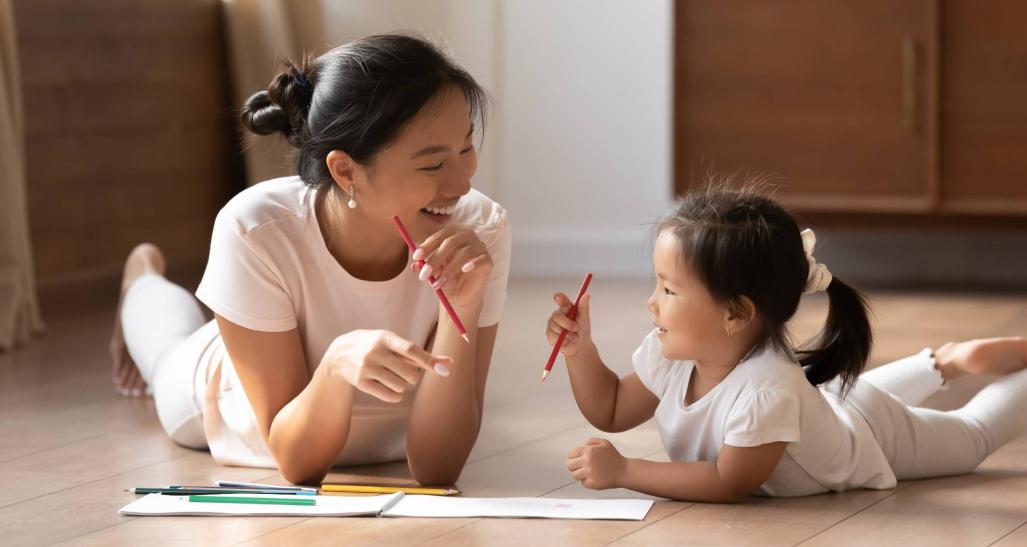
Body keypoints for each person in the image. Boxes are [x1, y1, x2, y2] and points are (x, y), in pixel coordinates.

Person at [109, 34, 511, 485]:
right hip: (227, 399)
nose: (460, 183)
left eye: (466, 148)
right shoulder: (255, 229)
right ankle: (141, 278)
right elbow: (297, 462)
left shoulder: (480, 227)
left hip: (385, 439)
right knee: (167, 350)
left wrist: (464, 307)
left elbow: (439, 469)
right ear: (345, 171)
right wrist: (336, 365)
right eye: (433, 166)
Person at [546, 183, 1027, 500]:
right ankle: (944, 362)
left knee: (973, 436)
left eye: (668, 289)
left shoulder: (766, 389)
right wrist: (579, 349)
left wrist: (626, 471)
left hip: (871, 433)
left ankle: (955, 365)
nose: (652, 303)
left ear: (736, 313)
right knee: (852, 399)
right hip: (832, 402)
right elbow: (609, 408)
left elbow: (727, 480)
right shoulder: (675, 353)